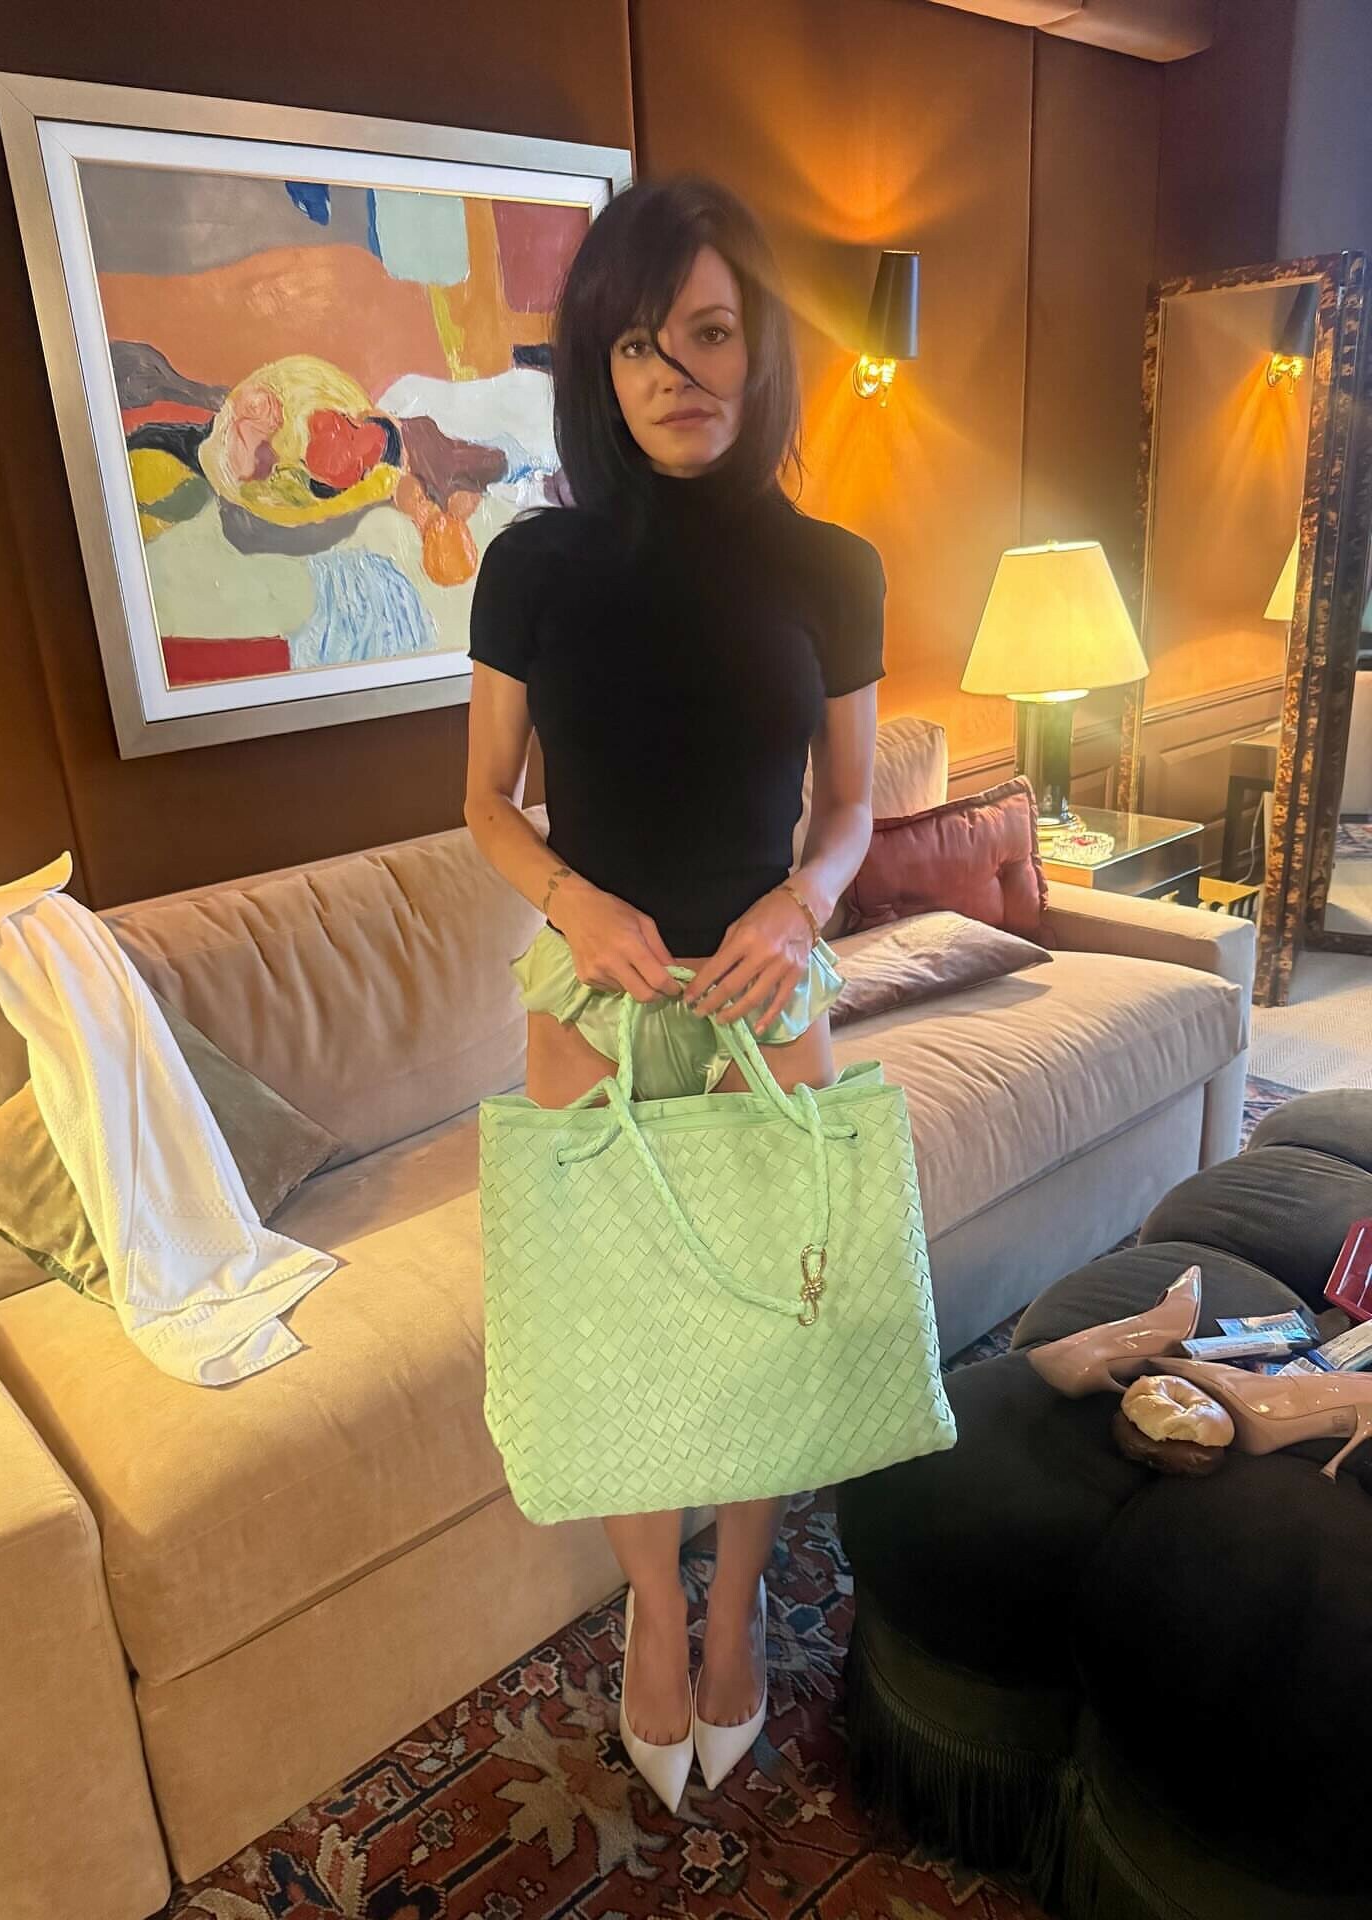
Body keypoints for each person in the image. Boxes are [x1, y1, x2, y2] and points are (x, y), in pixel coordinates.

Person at [462, 172, 887, 1811]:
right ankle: (654, 1603)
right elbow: (487, 804)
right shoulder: (534, 565)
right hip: (593, 996)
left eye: (707, 334)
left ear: (759, 344)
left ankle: (737, 1604)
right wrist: (571, 901)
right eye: (637, 345)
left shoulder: (834, 566)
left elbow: (849, 807)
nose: (674, 374)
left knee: (771, 1330)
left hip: (768, 990)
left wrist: (804, 898)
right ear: (599, 365)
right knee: (625, 1331)